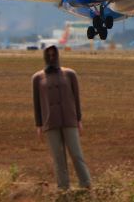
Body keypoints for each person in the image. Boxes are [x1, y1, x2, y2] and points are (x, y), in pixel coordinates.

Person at [32, 45, 91, 190]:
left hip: (69, 120)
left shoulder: (70, 74)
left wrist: (79, 119)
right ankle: (63, 188)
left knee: (76, 154)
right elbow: (37, 103)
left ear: (58, 55)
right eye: (49, 55)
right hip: (50, 122)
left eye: (54, 54)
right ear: (45, 56)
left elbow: (76, 98)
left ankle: (86, 184)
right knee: (58, 158)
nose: (52, 57)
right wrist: (39, 125)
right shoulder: (38, 78)